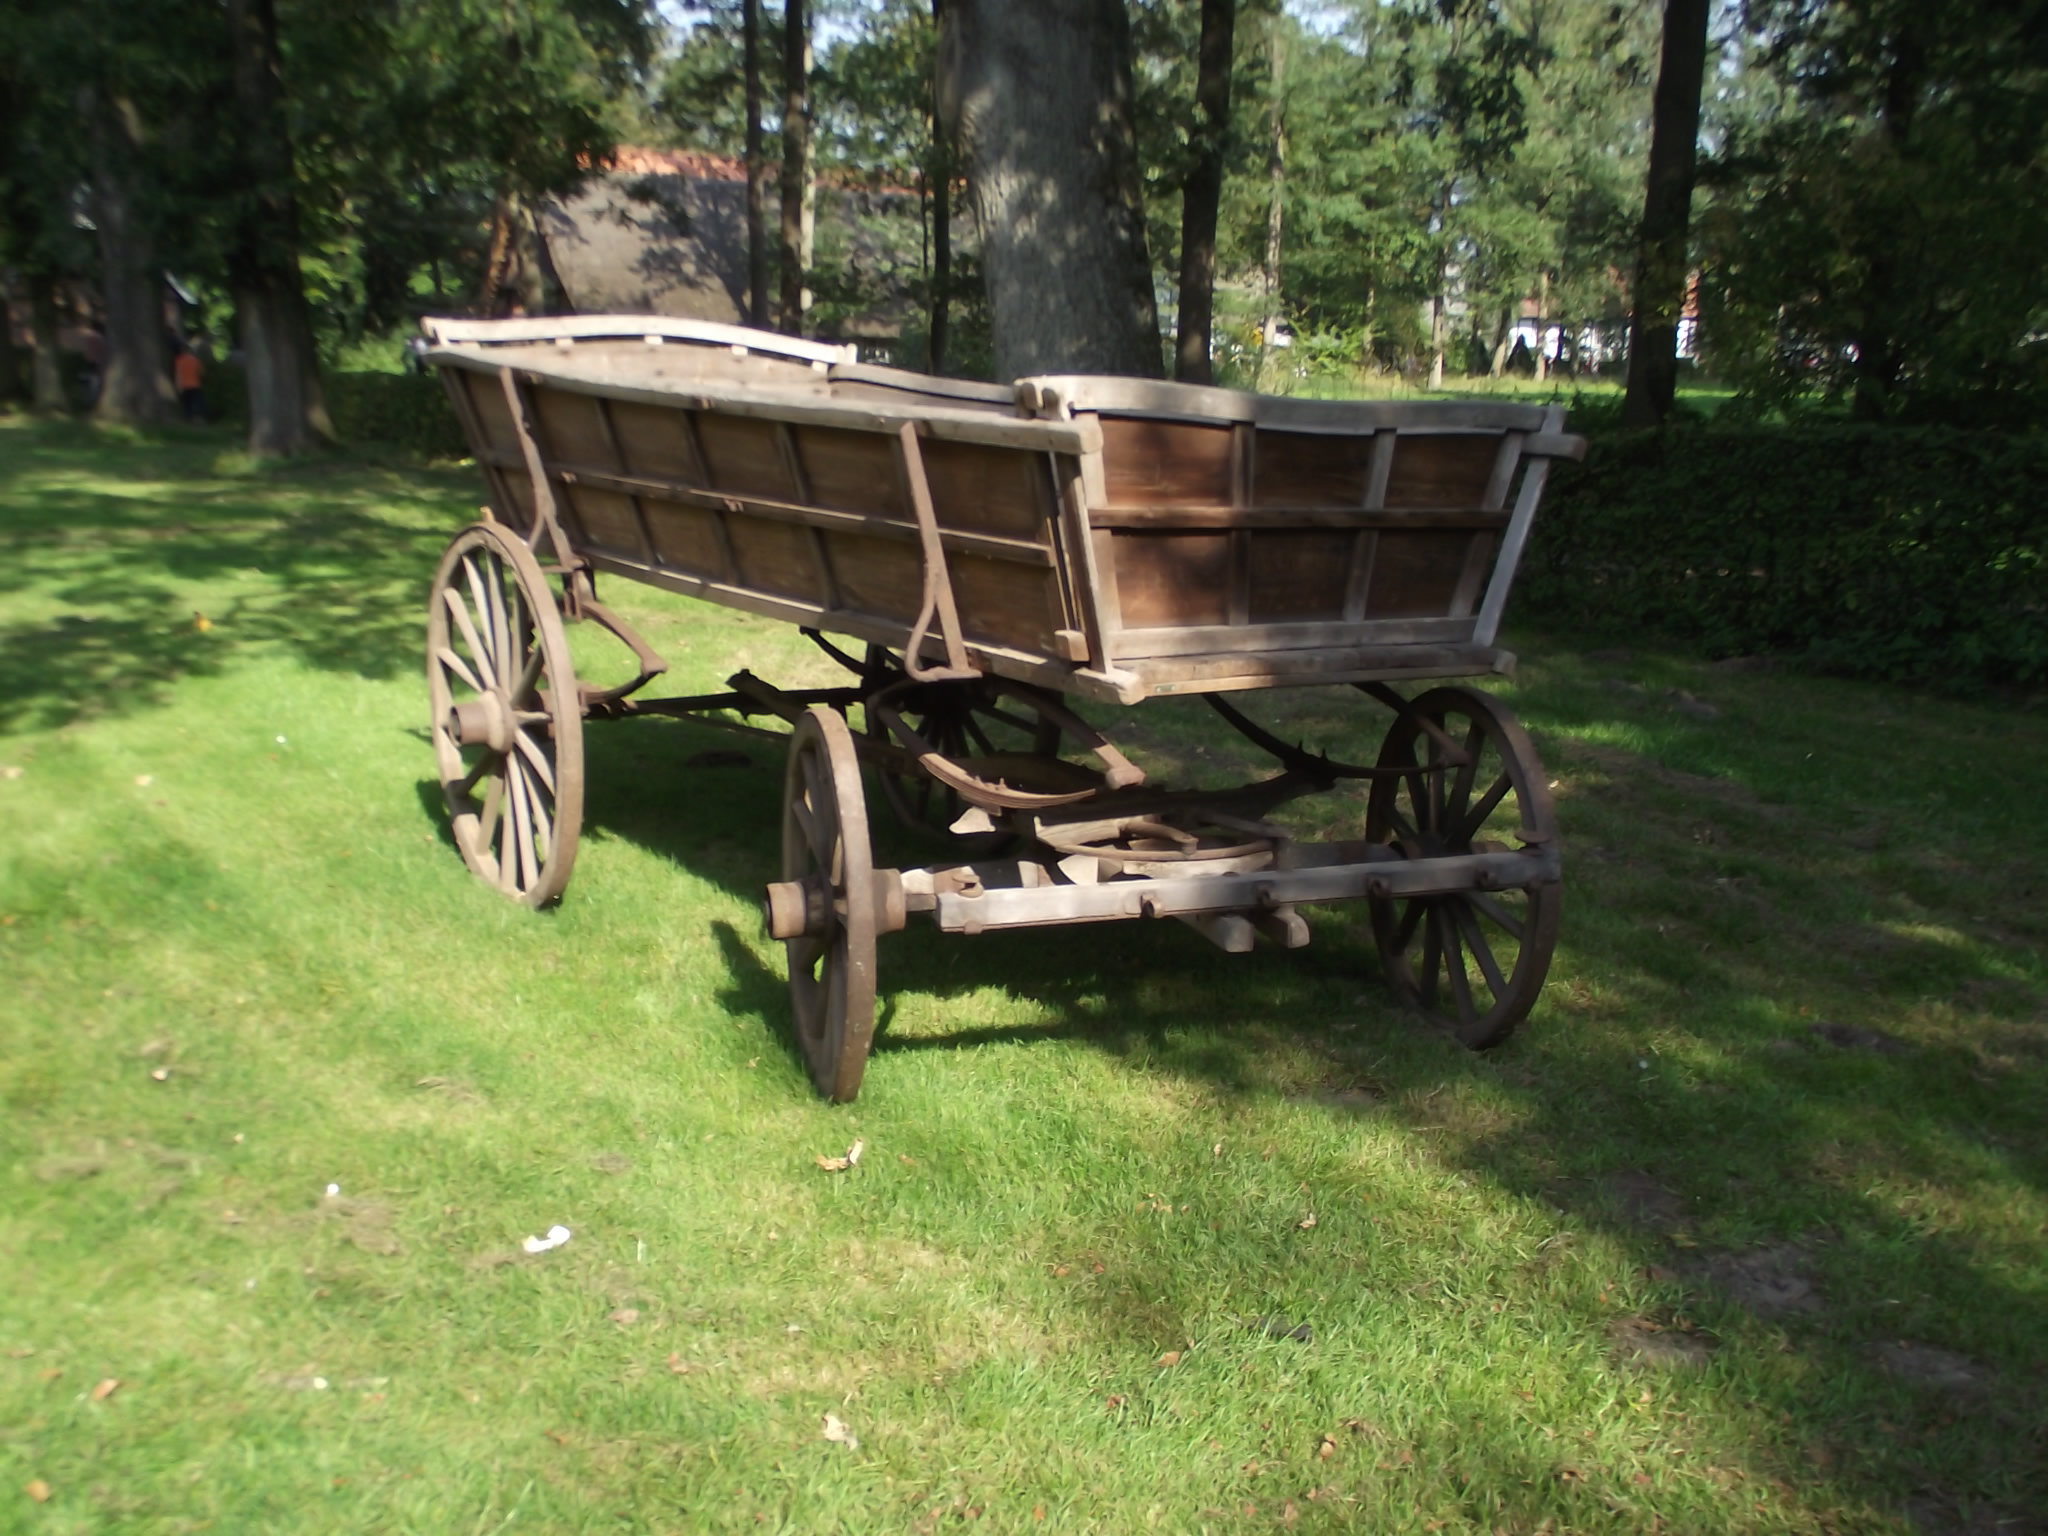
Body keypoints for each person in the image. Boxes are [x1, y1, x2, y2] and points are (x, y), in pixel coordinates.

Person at [174, 344, 204, 422]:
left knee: (186, 405)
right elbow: (201, 373)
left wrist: (178, 386)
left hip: (184, 385)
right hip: (195, 385)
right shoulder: (195, 360)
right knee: (196, 402)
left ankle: (188, 419)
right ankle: (198, 418)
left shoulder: (179, 360)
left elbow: (178, 374)